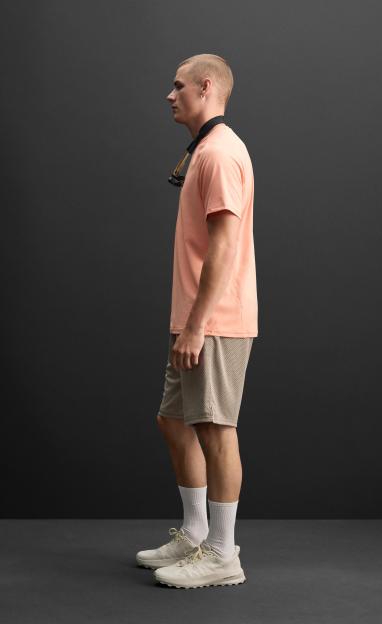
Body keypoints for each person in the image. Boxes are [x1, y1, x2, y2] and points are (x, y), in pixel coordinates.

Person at [136, 53, 258, 589]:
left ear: (205, 87)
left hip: (214, 321)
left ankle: (223, 555)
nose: (170, 95)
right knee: (175, 421)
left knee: (214, 428)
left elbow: (225, 246)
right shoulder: (205, 150)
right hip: (194, 319)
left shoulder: (222, 153)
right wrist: (188, 323)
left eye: (178, 86)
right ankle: (194, 533)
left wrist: (197, 325)